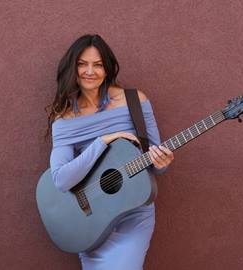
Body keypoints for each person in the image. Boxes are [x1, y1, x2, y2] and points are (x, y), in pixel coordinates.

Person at [44, 34, 175, 270]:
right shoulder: (64, 120)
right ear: (72, 68)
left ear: (108, 68)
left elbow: (156, 163)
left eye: (98, 64)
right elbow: (62, 180)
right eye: (82, 64)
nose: (89, 71)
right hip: (92, 218)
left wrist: (163, 161)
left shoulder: (135, 102)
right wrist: (103, 141)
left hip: (134, 213)